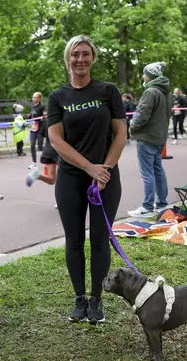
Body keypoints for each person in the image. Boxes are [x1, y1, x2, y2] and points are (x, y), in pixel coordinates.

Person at [47, 35, 127, 323]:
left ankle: (96, 300)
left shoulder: (108, 91)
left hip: (105, 177)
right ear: (68, 59)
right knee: (74, 240)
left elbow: (121, 134)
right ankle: (79, 298)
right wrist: (89, 168)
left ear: (93, 58)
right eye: (75, 54)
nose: (80, 59)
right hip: (71, 177)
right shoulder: (58, 97)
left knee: (100, 240)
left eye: (85, 54)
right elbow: (56, 140)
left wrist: (103, 169)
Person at [127, 62, 173, 218]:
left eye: (144, 74)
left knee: (147, 173)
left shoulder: (150, 92)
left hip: (147, 137)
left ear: (149, 76)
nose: (142, 77)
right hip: (159, 137)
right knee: (158, 170)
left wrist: (131, 127)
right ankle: (161, 204)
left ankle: (147, 206)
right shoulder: (167, 92)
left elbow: (142, 116)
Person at [28, 92, 45, 167]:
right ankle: (34, 163)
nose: (33, 99)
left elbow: (44, 116)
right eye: (32, 97)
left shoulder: (41, 107)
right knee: (32, 145)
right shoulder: (32, 106)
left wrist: (43, 118)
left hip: (40, 129)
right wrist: (29, 116)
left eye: (35, 97)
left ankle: (51, 158)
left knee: (40, 147)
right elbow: (32, 117)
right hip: (33, 129)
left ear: (39, 98)